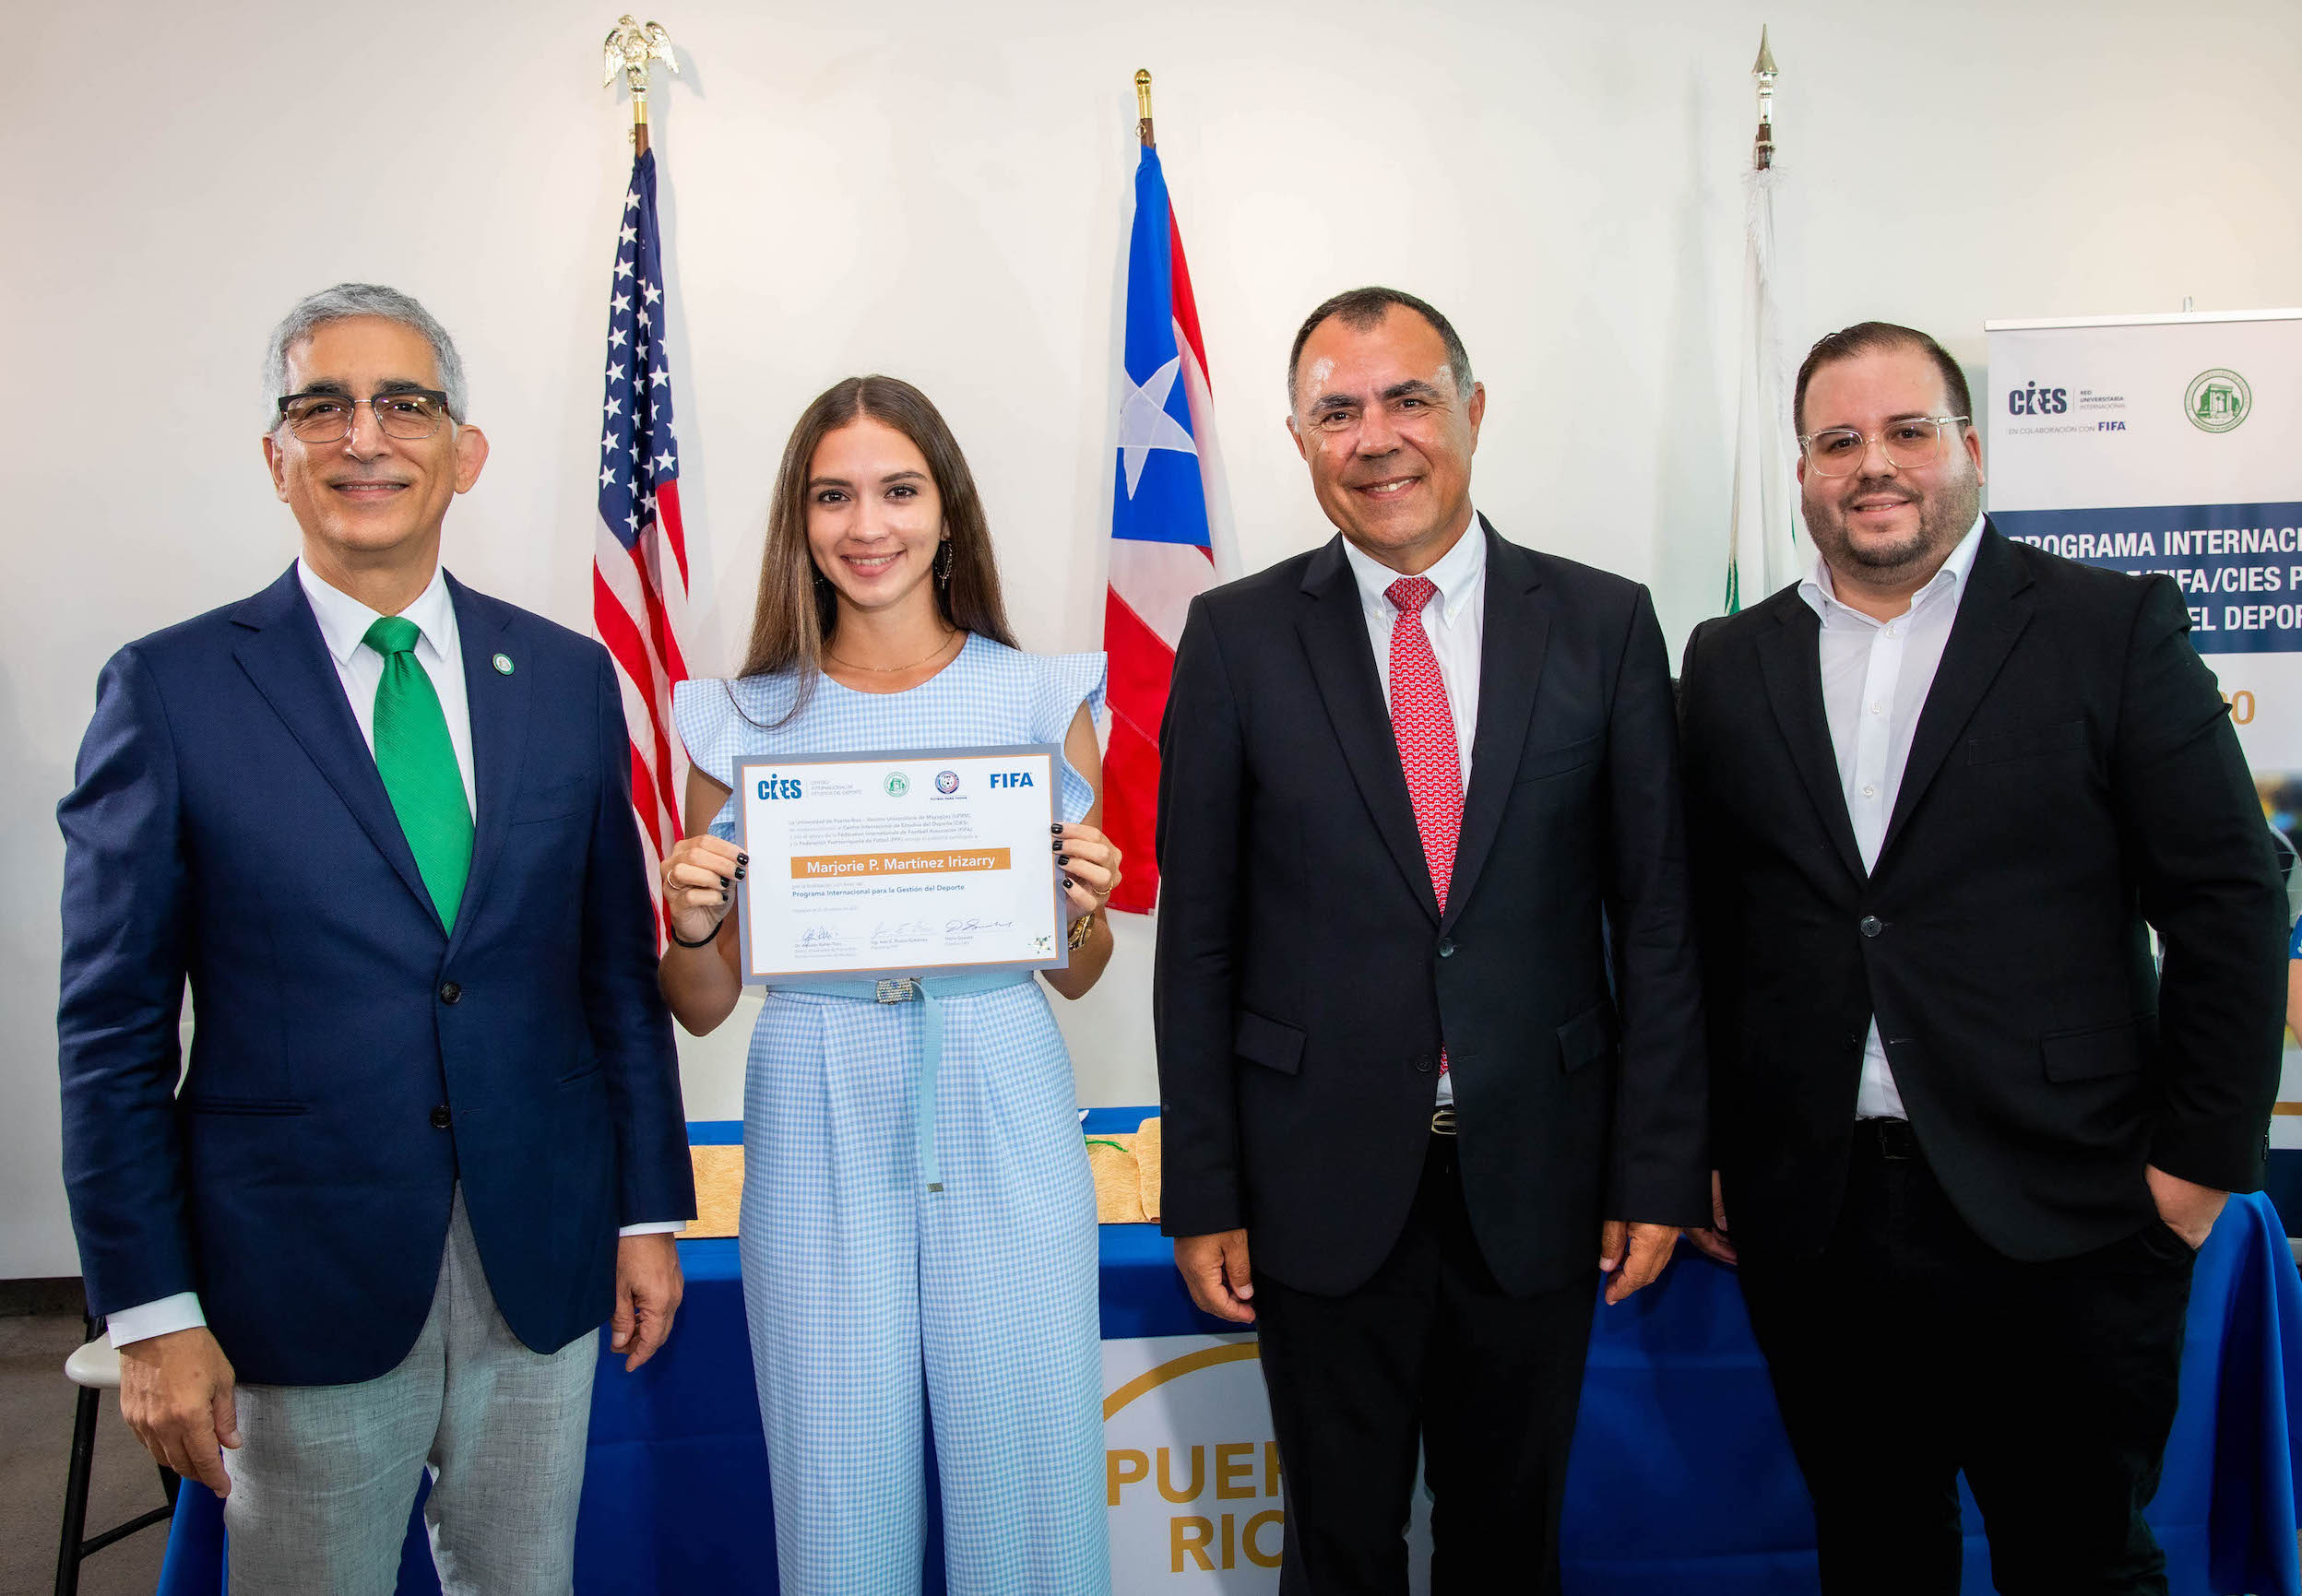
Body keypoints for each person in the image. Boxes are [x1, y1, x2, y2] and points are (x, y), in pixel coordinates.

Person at [54, 283, 696, 1593]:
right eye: (321, 407)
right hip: (296, 1279)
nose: (365, 438)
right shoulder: (171, 691)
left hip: (540, 1255)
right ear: (277, 456)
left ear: (464, 451)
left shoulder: (568, 681)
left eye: (404, 403)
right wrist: (154, 1313)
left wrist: (645, 1212)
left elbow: (611, 982)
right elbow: (111, 1034)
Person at [1679, 320, 2286, 1594]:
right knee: (1874, 1557)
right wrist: (1714, 1151)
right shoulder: (1730, 663)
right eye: (1837, 441)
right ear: (1802, 472)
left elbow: (2231, 896)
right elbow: (1706, 929)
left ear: (1971, 448)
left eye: (1908, 431)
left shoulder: (2104, 627)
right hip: (1822, 1220)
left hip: (2068, 1211)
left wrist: (2194, 1171)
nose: (1874, 465)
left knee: (2078, 1562)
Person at [1153, 287, 1708, 1592]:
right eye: (1336, 412)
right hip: (1315, 1183)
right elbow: (1203, 944)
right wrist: (1206, 1190)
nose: (1376, 438)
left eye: (1407, 398)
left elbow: (1662, 920)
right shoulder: (1233, 641)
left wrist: (1657, 1170)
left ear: (1472, 408)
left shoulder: (1604, 623)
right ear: (1299, 439)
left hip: (1542, 1179)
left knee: (1509, 1545)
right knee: (1340, 1550)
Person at [657, 374, 1119, 1593]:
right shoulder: (736, 720)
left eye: (899, 490)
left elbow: (1077, 974)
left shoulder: (1041, 695)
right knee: (837, 1486)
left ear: (947, 510)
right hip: (814, 1101)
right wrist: (695, 923)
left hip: (1002, 1089)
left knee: (1033, 1475)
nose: (869, 525)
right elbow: (700, 999)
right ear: (798, 524)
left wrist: (1082, 905)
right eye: (834, 496)